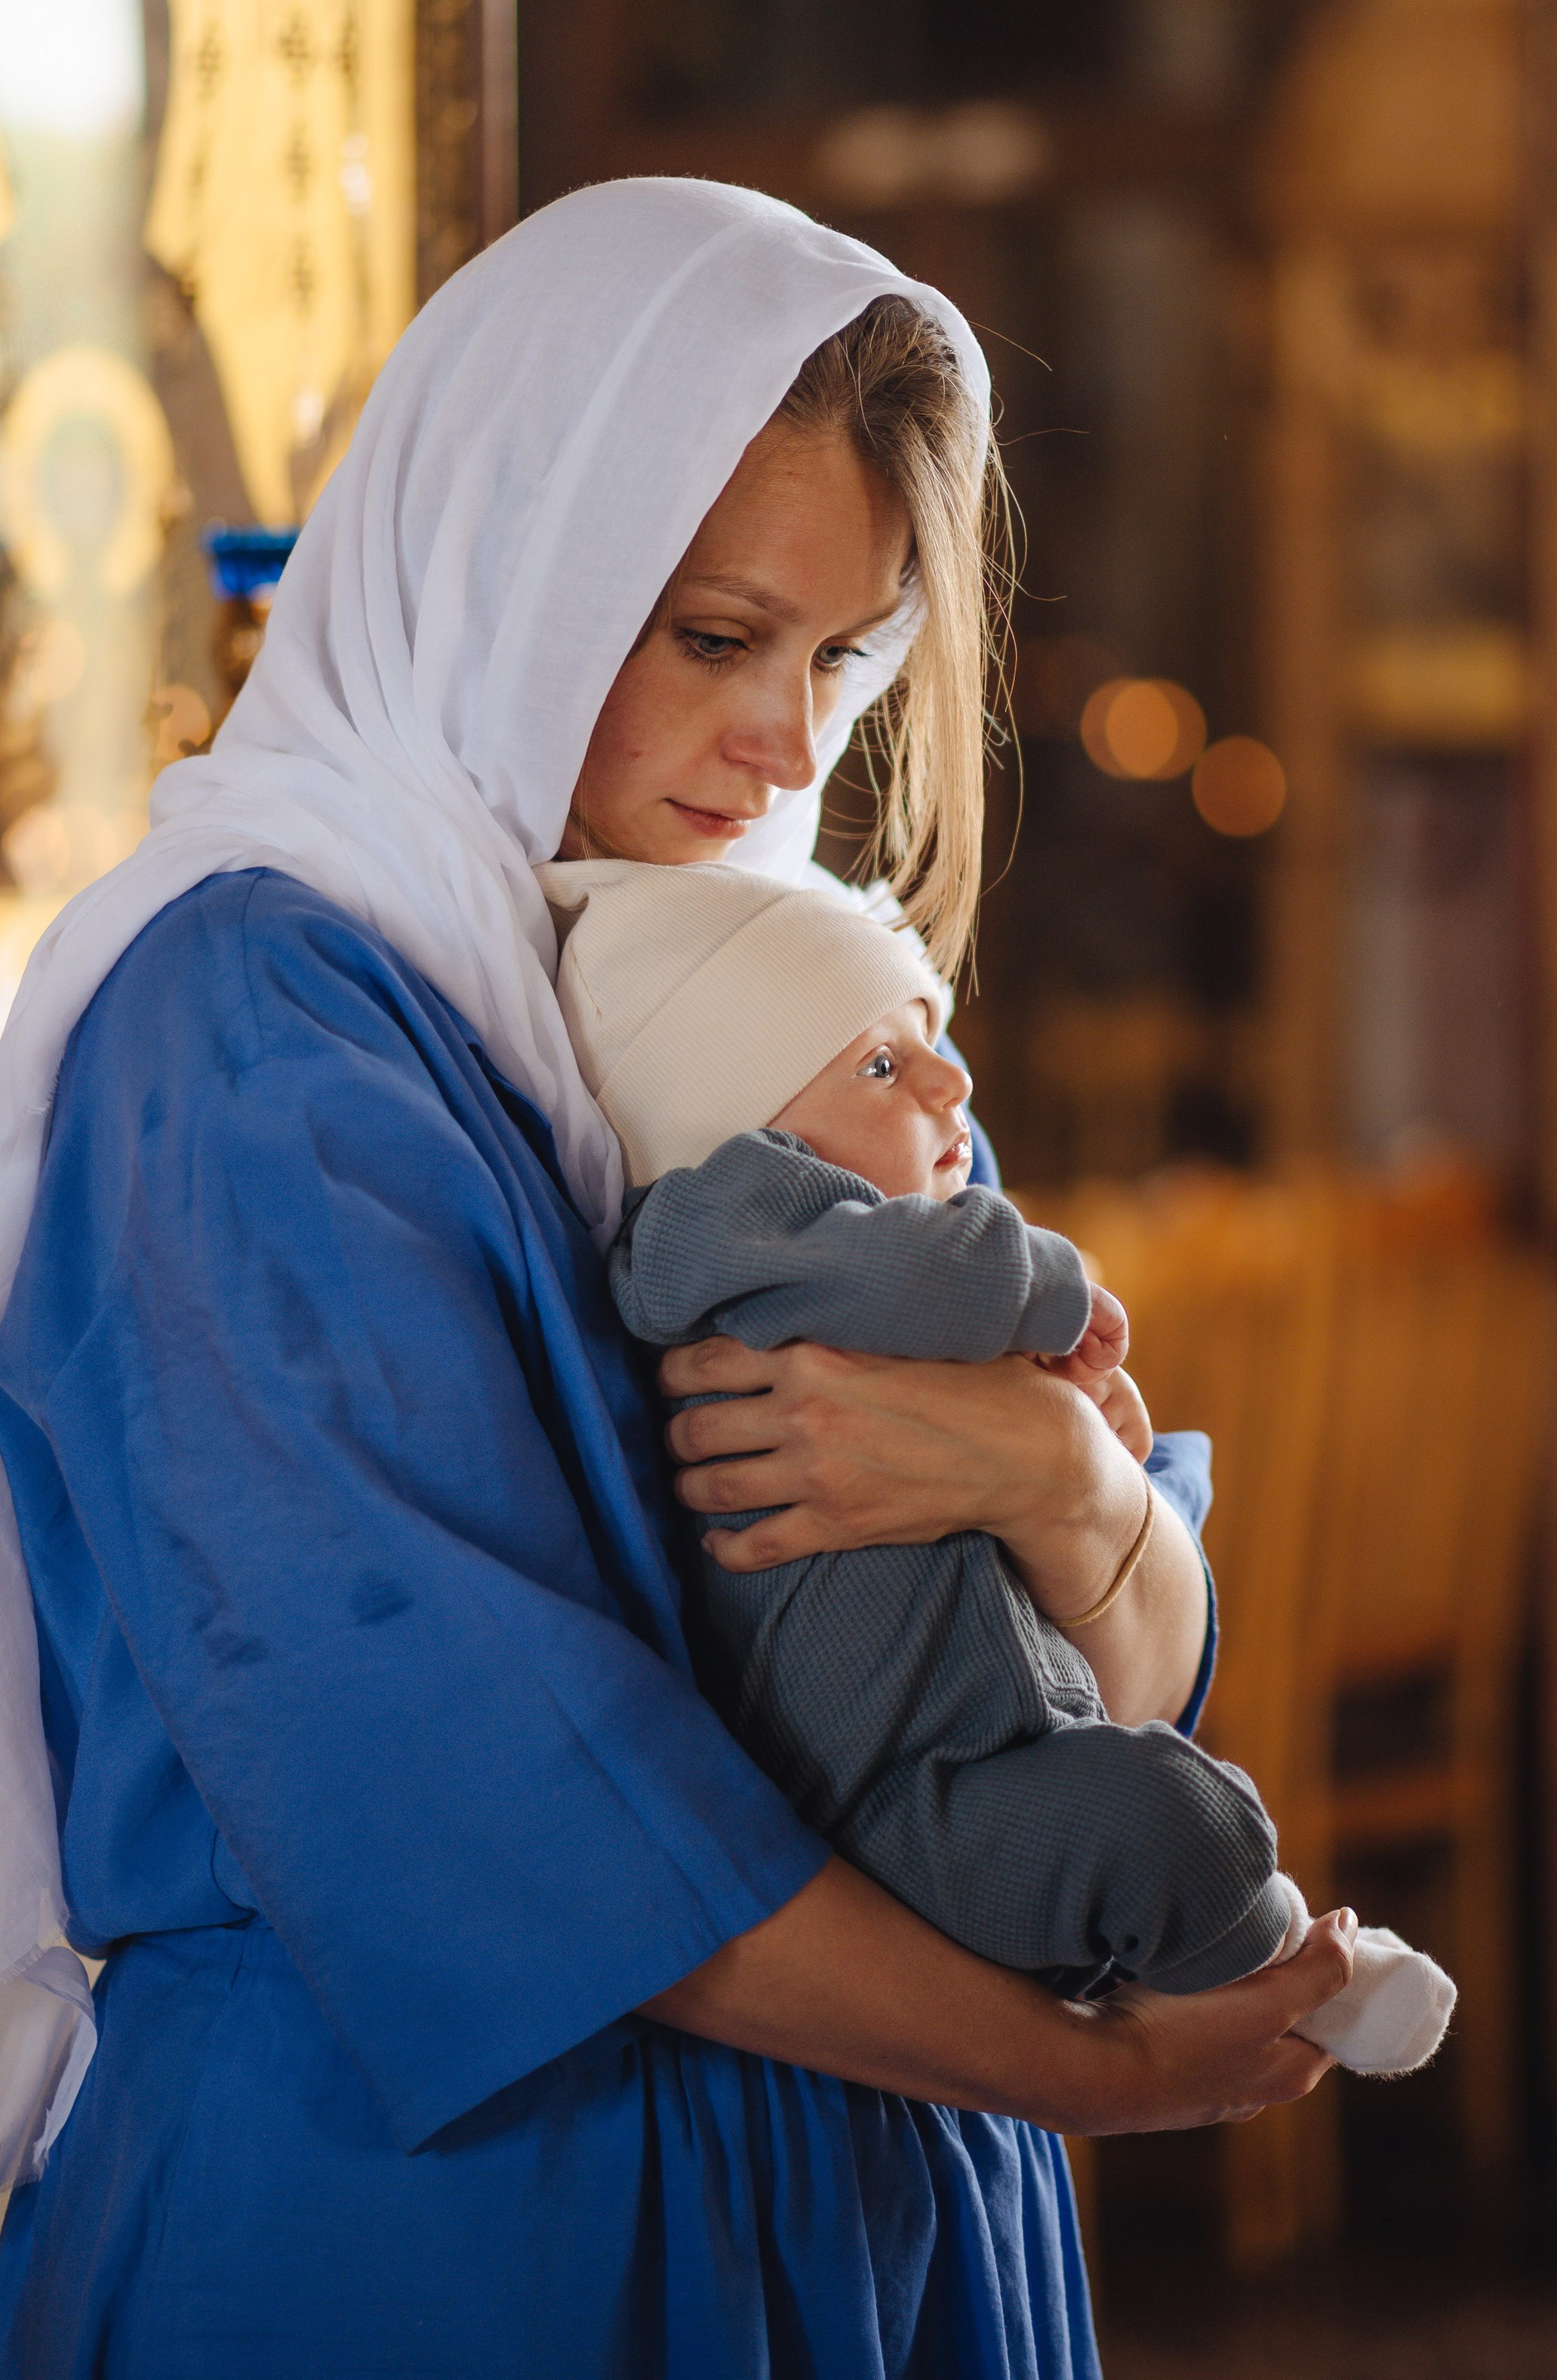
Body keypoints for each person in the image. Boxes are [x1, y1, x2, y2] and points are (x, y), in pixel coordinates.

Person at [0, 181, 1354, 2379]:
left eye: (845, 659)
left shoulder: (785, 995)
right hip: (455, 2225)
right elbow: (480, 1787)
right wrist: (1093, 2070)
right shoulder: (260, 1030)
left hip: (875, 2205)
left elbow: (1120, 1676)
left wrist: (1052, 1470)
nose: (787, 744)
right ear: (509, 560)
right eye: (710, 635)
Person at [542, 853, 1457, 2071]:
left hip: (1001, 1733)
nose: (952, 1082)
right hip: (895, 1795)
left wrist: (1088, 1451)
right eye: (880, 1063)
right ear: (738, 1124)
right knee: (1172, 1819)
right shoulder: (713, 1223)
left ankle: (1274, 1959)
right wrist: (1049, 1285)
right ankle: (1290, 1965)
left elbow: (1145, 1572)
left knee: (1157, 1801)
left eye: (932, 1039)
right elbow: (955, 1269)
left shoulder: (860, 1267)